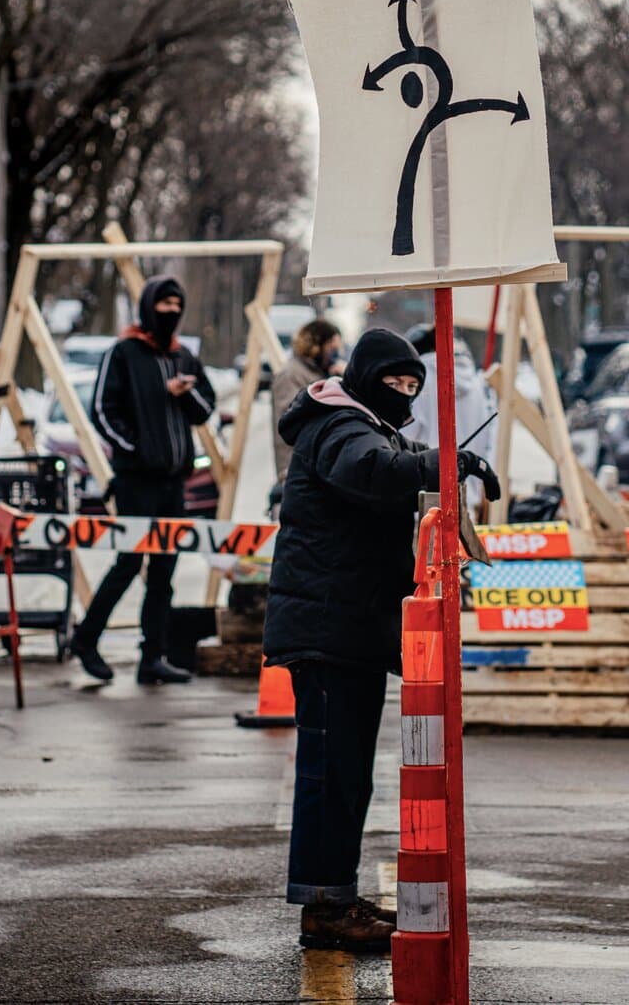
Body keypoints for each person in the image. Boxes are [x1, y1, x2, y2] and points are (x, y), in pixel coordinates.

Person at [265, 327, 500, 952]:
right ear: (367, 379)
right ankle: (323, 904)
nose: (403, 394)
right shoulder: (341, 428)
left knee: (346, 775)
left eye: (412, 386)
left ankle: (332, 893)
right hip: (326, 630)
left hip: (346, 629)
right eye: (394, 383)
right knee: (330, 775)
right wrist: (449, 463)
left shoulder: (363, 423)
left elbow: (397, 461)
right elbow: (375, 472)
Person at [71, 275, 217, 685]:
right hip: (137, 482)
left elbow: (204, 409)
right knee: (128, 562)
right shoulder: (124, 353)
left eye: (177, 304)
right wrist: (135, 450)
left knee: (164, 571)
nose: (170, 311)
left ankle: (152, 655)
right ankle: (86, 638)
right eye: (164, 304)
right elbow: (102, 410)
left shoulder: (183, 356)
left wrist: (183, 393)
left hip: (175, 482)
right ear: (149, 306)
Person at [403, 323, 499, 511]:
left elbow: (406, 439)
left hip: (426, 501)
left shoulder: (420, 382)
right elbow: (490, 440)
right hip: (467, 497)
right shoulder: (477, 383)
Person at [268, 319, 343, 513]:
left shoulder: (320, 373)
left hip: (320, 470)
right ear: (316, 346)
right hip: (296, 469)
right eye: (331, 348)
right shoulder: (291, 374)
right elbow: (291, 421)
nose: (335, 354)